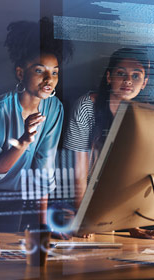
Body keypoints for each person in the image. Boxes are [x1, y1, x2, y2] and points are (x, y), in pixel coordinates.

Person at [0, 18, 73, 233]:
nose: (49, 79)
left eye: (54, 72)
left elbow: (45, 166)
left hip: (15, 196)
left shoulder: (54, 108)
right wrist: (24, 140)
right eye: (39, 71)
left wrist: (43, 224)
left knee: (8, 257)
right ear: (20, 73)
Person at [63, 47, 153, 238]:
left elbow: (130, 174)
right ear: (109, 77)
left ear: (144, 83)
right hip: (77, 202)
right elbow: (78, 172)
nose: (128, 80)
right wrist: (83, 221)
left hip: (114, 207)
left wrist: (132, 224)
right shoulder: (87, 106)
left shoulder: (143, 115)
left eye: (136, 75)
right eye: (121, 74)